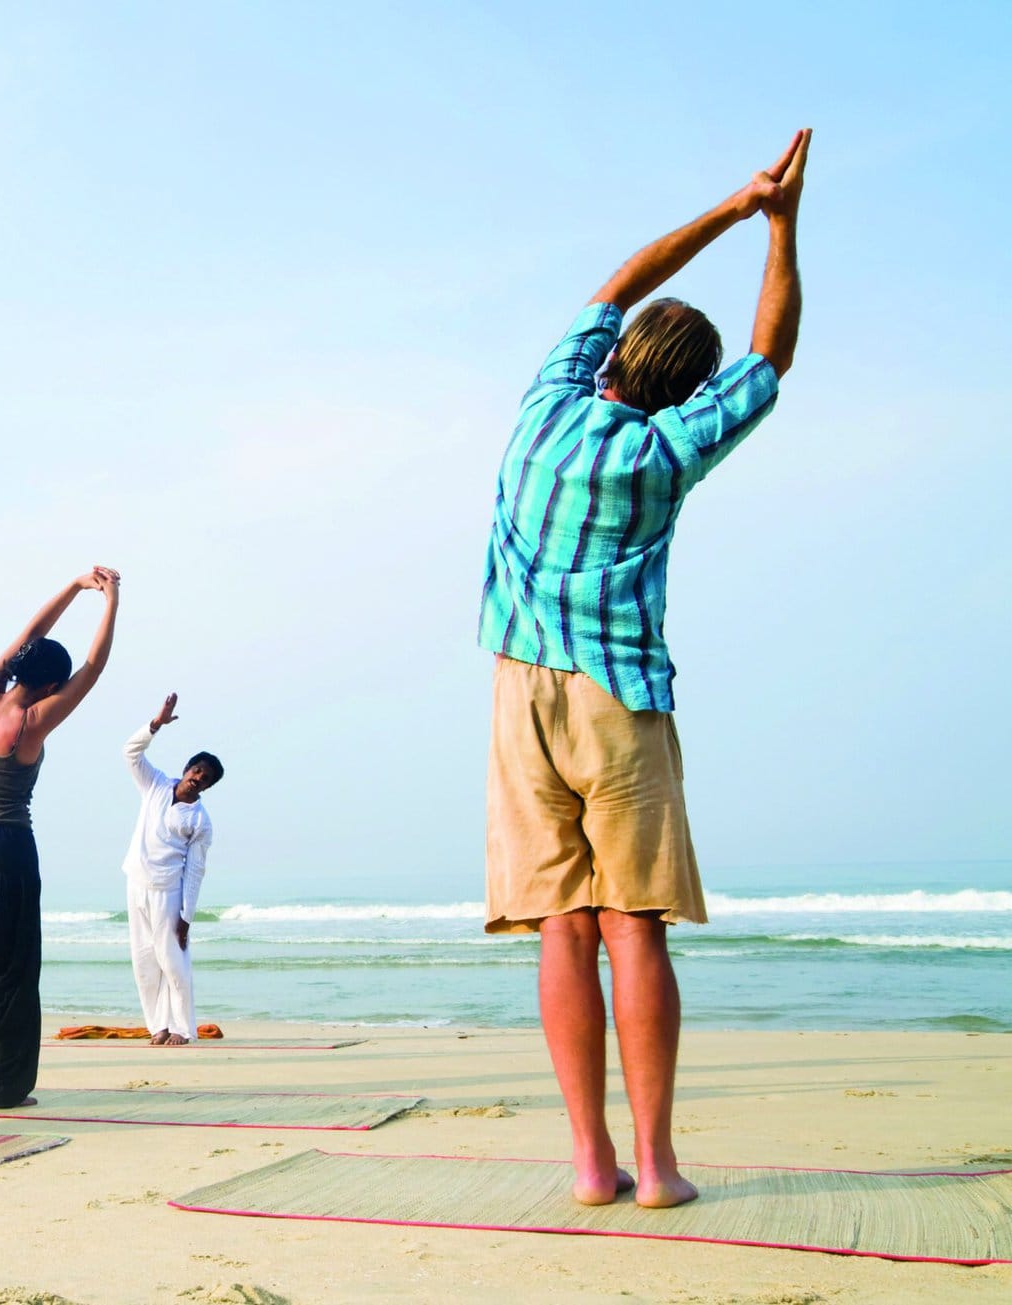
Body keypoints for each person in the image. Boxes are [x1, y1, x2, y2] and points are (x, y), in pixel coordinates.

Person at [478, 130, 810, 1208]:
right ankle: (657, 1166)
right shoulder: (664, 452)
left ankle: (586, 1163)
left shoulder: (542, 406)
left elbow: (617, 283)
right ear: (683, 390)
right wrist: (782, 226)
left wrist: (729, 206)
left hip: (518, 690)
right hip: (616, 696)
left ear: (614, 355)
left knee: (562, 929)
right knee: (634, 927)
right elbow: (770, 357)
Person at [0, 566, 120, 1108]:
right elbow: (95, 667)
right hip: (5, 852)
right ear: (50, 685)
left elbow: (27, 636)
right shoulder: (33, 721)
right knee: (8, 966)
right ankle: (4, 1087)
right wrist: (112, 601)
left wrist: (73, 587)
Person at [120, 693, 221, 1045]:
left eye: (205, 779)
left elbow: (195, 872)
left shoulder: (200, 820)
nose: (197, 778)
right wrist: (155, 725)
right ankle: (157, 1026)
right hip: (136, 883)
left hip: (167, 892)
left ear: (207, 786)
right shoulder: (156, 785)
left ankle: (182, 1028)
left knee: (173, 961)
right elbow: (130, 753)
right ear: (187, 768)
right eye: (196, 771)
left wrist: (186, 917)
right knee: (144, 961)